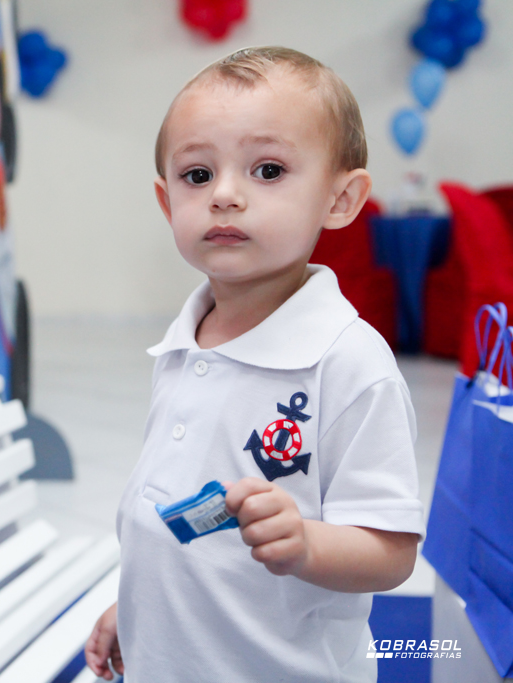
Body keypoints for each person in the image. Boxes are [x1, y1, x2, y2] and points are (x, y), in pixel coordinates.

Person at [85, 46, 424, 682]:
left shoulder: (349, 364)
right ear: (166, 203)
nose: (226, 196)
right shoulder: (186, 340)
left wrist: (307, 543)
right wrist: (137, 608)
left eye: (267, 169)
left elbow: (392, 551)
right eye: (196, 175)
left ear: (340, 199)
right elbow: (177, 517)